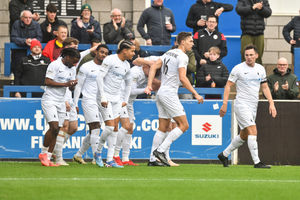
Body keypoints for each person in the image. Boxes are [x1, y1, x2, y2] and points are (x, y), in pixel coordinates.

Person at [144, 32, 204, 166]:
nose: (192, 44)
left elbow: (153, 66)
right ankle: (160, 151)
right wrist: (195, 93)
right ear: (182, 42)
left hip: (161, 93)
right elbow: (183, 78)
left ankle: (152, 159)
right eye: (190, 41)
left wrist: (149, 85)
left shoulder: (168, 53)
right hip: (169, 94)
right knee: (184, 125)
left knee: (163, 127)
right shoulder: (183, 56)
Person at [218, 44, 277, 169]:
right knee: (253, 130)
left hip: (253, 105)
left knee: (244, 135)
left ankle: (224, 154)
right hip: (241, 104)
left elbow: (265, 87)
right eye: (246, 55)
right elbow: (228, 85)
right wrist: (224, 103)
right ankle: (257, 162)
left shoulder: (260, 69)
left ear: (256, 55)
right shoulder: (238, 68)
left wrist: (271, 103)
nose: (249, 57)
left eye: (251, 55)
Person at [94, 40, 135, 168]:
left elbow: (129, 84)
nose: (134, 53)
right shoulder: (110, 59)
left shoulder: (127, 65)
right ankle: (98, 152)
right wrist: (103, 96)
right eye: (132, 51)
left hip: (117, 99)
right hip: (105, 97)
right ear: (124, 51)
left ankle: (110, 159)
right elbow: (99, 77)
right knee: (110, 127)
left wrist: (125, 99)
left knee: (115, 129)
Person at [113, 56, 161, 166]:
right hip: (121, 100)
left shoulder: (145, 75)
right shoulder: (135, 72)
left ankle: (125, 158)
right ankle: (115, 155)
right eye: (151, 69)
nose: (153, 72)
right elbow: (130, 91)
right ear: (145, 67)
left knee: (130, 128)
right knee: (125, 127)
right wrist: (146, 90)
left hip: (129, 102)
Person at [38, 48, 80, 167]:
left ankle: (48, 157)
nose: (74, 64)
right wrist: (65, 84)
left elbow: (69, 87)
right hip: (49, 99)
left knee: (57, 130)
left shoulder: (72, 69)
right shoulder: (54, 65)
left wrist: (72, 86)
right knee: (54, 126)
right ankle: (43, 153)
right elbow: (47, 81)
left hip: (61, 101)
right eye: (73, 61)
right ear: (67, 57)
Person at [73, 44, 110, 165]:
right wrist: (75, 103)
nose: (103, 54)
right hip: (88, 100)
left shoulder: (107, 68)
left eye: (105, 53)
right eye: (101, 52)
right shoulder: (86, 66)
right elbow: (78, 86)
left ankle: (78, 155)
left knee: (93, 131)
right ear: (96, 52)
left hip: (101, 101)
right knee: (96, 128)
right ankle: (96, 159)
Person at [236, 0, 272, 65]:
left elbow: (268, 13)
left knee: (258, 57)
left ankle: (258, 74)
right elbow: (239, 10)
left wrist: (262, 8)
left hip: (259, 33)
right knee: (246, 56)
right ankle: (245, 73)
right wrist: (252, 7)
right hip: (247, 33)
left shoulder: (263, 0)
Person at [10, 10, 42, 75]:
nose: (28, 19)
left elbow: (40, 38)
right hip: (18, 54)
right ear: (21, 18)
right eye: (26, 17)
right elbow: (13, 37)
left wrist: (34, 41)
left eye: (30, 18)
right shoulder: (16, 24)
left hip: (32, 54)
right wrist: (25, 41)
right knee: (18, 73)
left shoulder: (36, 24)